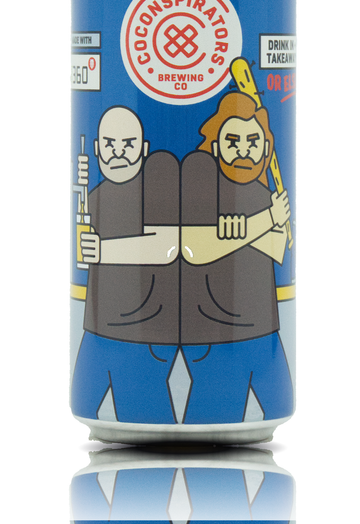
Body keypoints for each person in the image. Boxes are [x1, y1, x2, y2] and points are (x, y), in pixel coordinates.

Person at [179, 92, 294, 424]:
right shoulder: (201, 189)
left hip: (265, 331)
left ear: (266, 149)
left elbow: (278, 249)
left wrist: (244, 231)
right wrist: (262, 223)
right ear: (216, 147)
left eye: (252, 142)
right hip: (212, 335)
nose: (243, 150)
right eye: (233, 142)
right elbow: (194, 249)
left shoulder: (266, 196)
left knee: (275, 401)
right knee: (206, 413)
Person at [70, 106, 180, 424]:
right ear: (97, 148)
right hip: (96, 329)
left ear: (143, 149)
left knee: (152, 412)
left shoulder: (156, 192)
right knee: (88, 400)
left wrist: (103, 250)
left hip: (144, 334)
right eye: (109, 144)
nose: (118, 153)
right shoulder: (93, 197)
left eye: (128, 145)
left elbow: (167, 247)